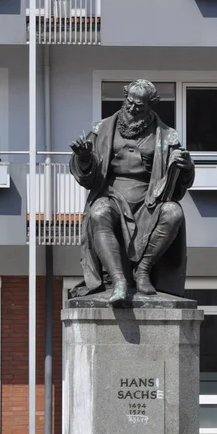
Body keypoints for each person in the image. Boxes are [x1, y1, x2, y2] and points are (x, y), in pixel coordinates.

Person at [70, 79, 195, 304]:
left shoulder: (167, 136)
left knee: (174, 213)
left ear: (150, 105)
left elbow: (178, 185)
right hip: (111, 196)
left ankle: (143, 269)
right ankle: (118, 281)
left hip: (150, 200)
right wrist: (84, 158)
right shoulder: (101, 129)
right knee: (98, 213)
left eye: (140, 105)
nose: (132, 108)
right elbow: (87, 178)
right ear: (125, 97)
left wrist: (185, 167)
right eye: (129, 102)